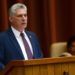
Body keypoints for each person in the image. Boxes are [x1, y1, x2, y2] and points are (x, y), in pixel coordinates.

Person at [0, 3, 43, 70]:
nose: (24, 18)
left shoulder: (33, 36)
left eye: (25, 15)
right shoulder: (2, 38)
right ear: (11, 19)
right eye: (20, 16)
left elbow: (40, 58)